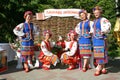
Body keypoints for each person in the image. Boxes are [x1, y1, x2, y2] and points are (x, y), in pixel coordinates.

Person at [92, 6, 111, 76]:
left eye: (97, 12)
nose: (96, 14)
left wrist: (104, 31)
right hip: (95, 39)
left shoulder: (103, 19)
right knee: (97, 53)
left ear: (100, 12)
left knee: (101, 52)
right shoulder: (94, 21)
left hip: (101, 38)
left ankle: (99, 67)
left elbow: (108, 25)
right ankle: (103, 68)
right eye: (95, 13)